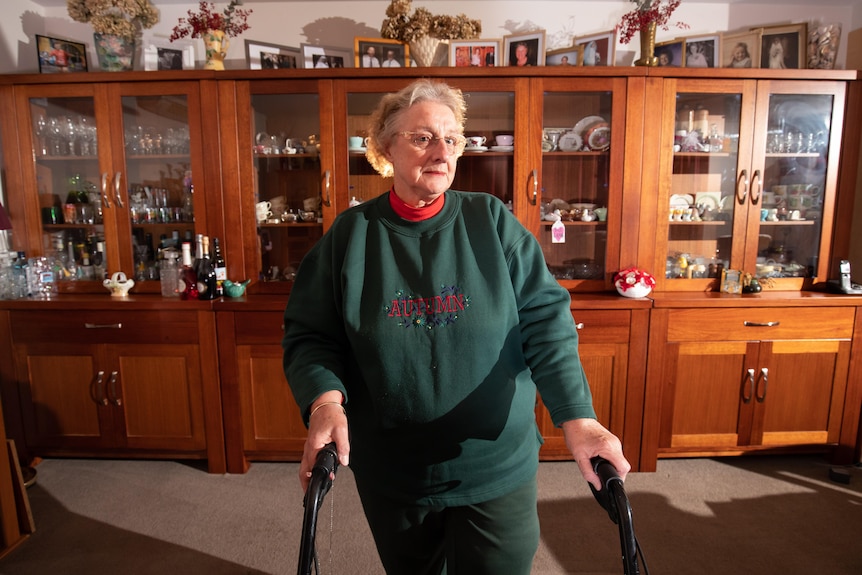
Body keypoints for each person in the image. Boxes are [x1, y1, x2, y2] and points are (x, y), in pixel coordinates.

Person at [282, 79, 630, 574]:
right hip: (394, 470)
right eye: (423, 137)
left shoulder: (491, 221)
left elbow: (546, 325)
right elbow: (310, 335)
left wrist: (579, 419)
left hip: (495, 465)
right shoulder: (349, 238)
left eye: (452, 138)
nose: (441, 150)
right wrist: (324, 402)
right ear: (385, 147)